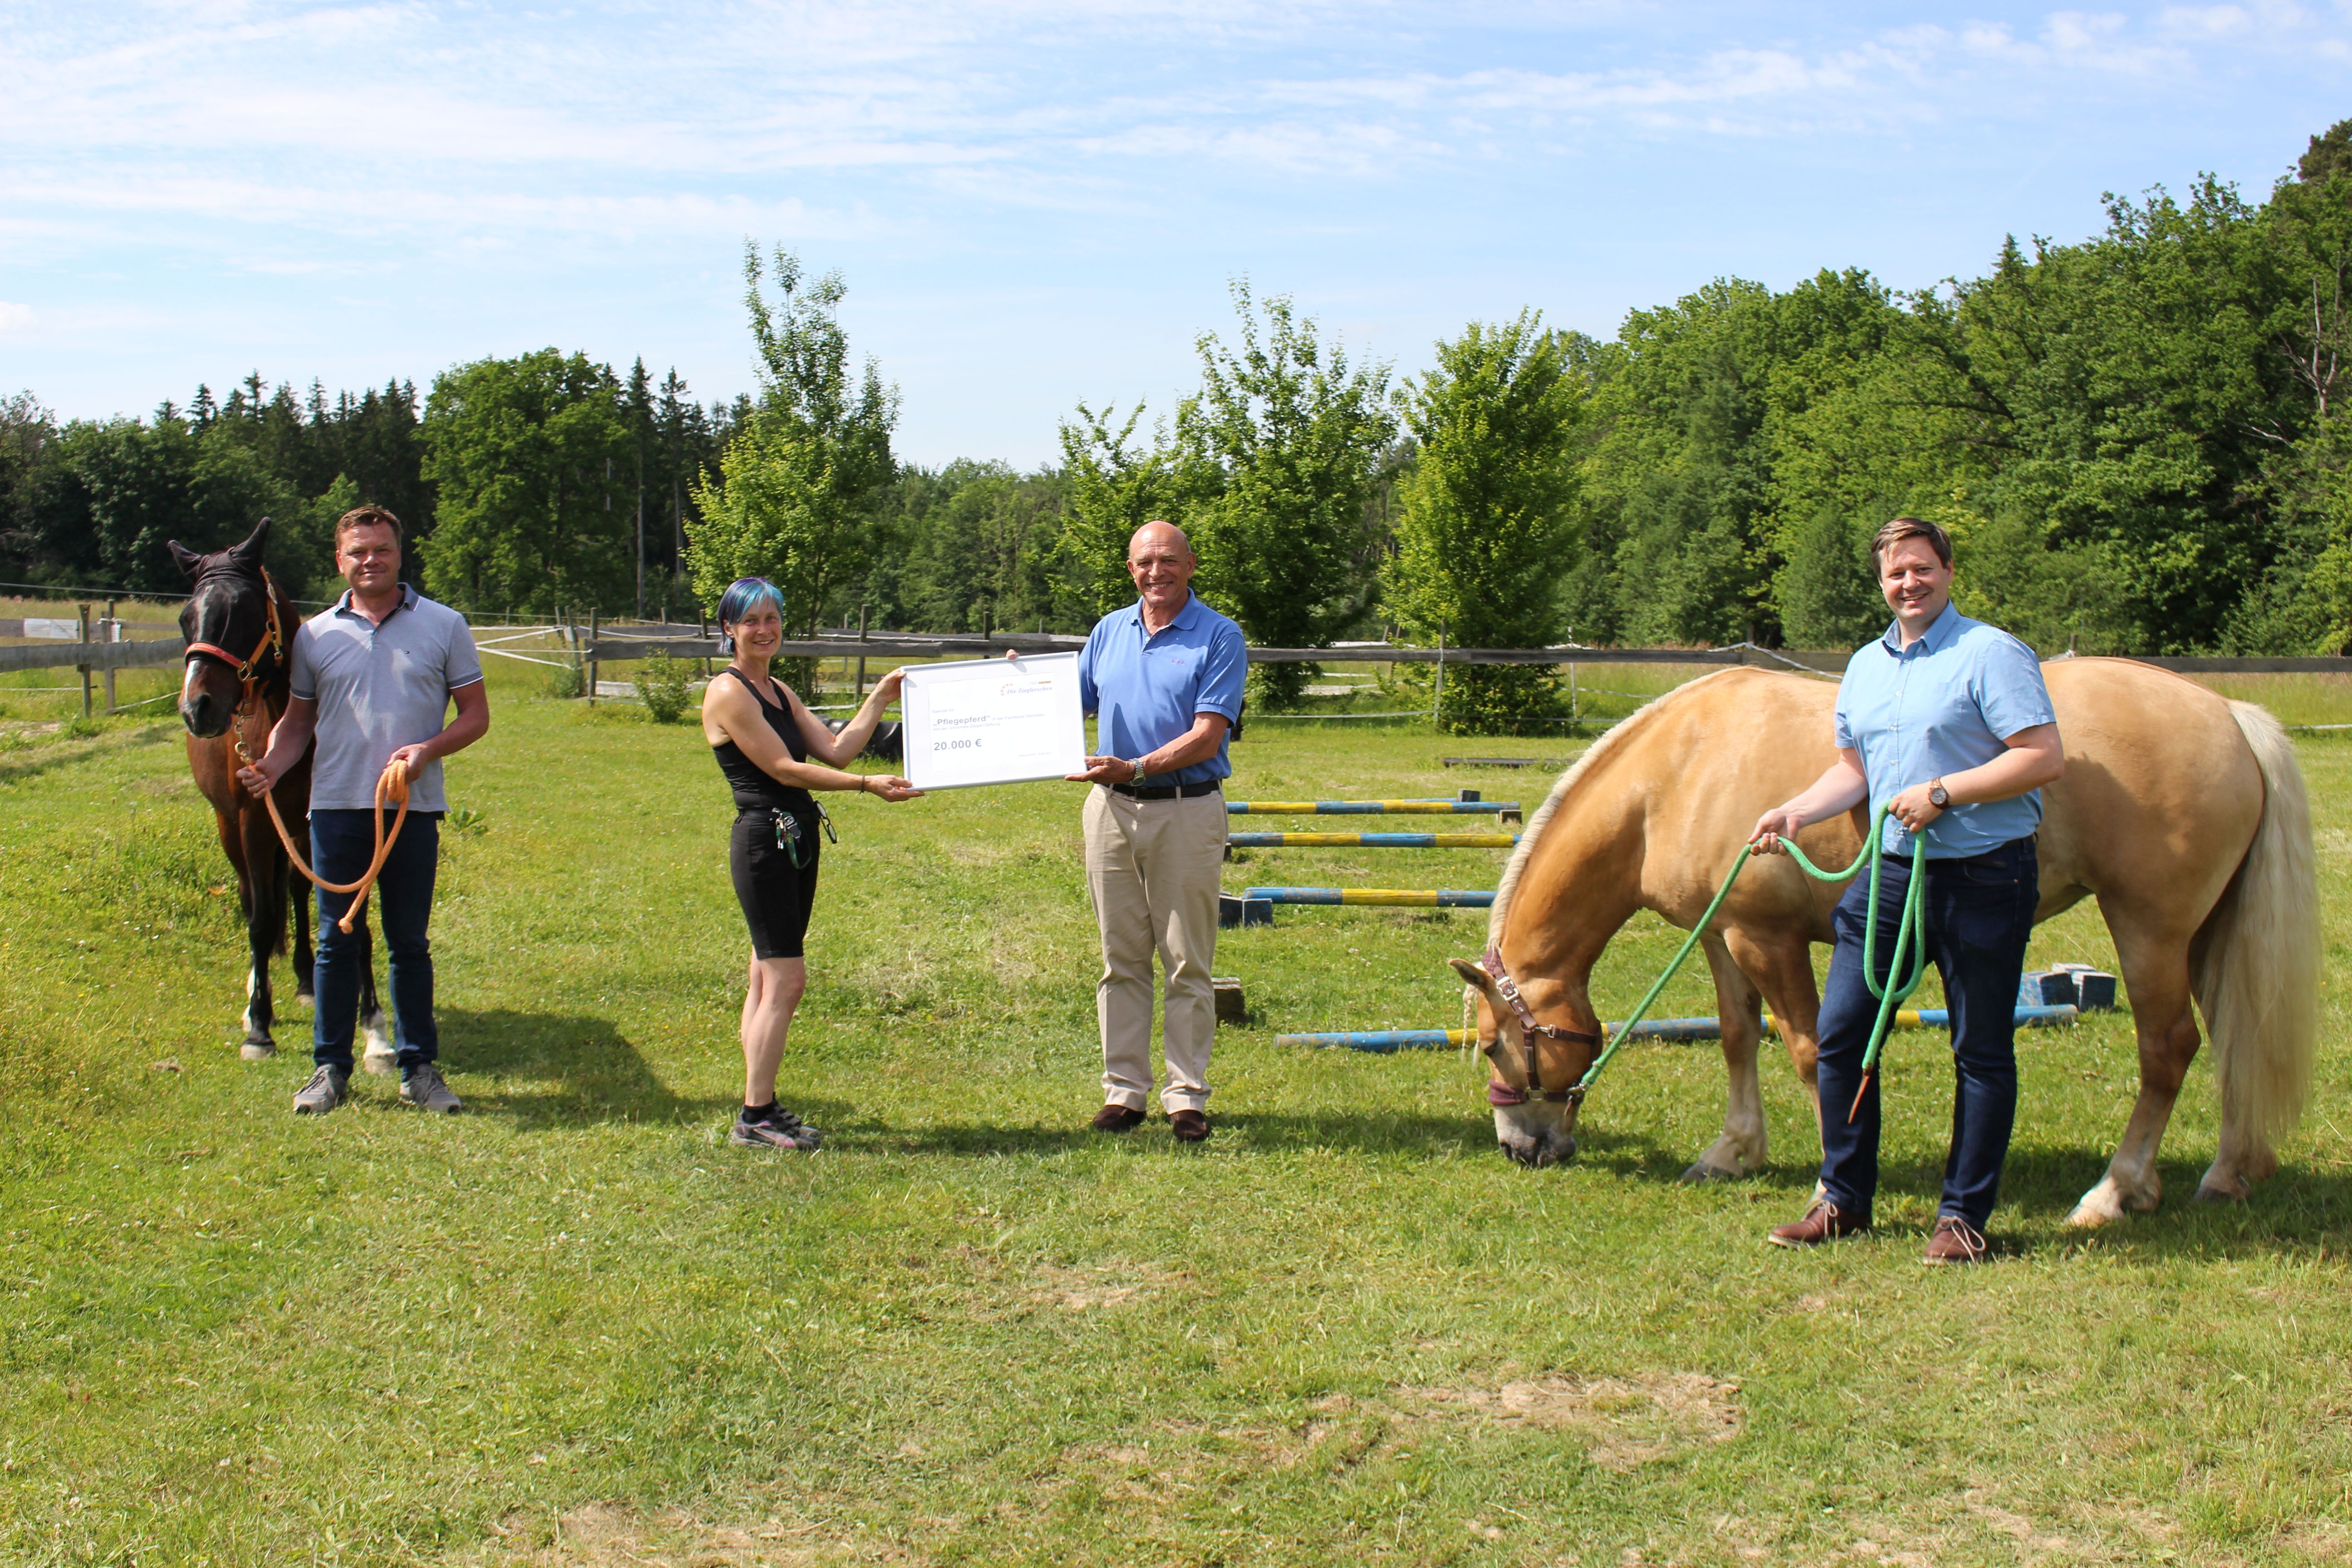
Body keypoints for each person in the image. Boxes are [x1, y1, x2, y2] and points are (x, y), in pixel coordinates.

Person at [1748, 516, 2064, 1264]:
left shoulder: (1990, 654)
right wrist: (1797, 809)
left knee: (1978, 1050)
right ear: (1880, 583)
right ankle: (1841, 1199)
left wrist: (1945, 794)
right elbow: (1854, 770)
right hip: (1888, 876)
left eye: (1920, 569)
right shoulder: (1863, 666)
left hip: (1984, 874)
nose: (1907, 584)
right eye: (1894, 573)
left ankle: (1962, 1219)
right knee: (1841, 1033)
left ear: (1947, 572)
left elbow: (2041, 756)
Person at [237, 505, 489, 1116]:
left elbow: (476, 716)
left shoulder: (444, 625)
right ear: (340, 560)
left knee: (408, 943)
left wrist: (428, 750)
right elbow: (298, 722)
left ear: (400, 555)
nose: (369, 560)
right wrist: (271, 764)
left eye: (380, 549)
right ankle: (330, 1069)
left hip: (411, 806)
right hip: (336, 807)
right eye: (358, 552)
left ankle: (419, 1069)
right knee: (335, 941)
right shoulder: (317, 636)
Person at [701, 577, 920, 1151]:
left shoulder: (777, 689)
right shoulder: (728, 693)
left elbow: (835, 749)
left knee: (764, 974)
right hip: (765, 842)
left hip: (794, 839)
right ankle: (755, 1117)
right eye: (751, 621)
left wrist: (879, 696)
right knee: (786, 981)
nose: (765, 629)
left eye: (773, 618)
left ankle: (760, 1104)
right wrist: (868, 785)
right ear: (729, 629)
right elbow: (785, 769)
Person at [1063, 521, 1246, 1142]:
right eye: (1144, 562)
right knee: (1121, 957)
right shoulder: (1108, 631)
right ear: (1129, 567)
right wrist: (1017, 688)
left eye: (1168, 560)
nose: (1156, 571)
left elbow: (1207, 734)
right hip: (1109, 810)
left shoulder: (1219, 636)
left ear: (1191, 564)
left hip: (1186, 809)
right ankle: (1124, 1094)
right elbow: (1068, 705)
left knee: (1186, 958)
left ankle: (1186, 1096)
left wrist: (1138, 766)